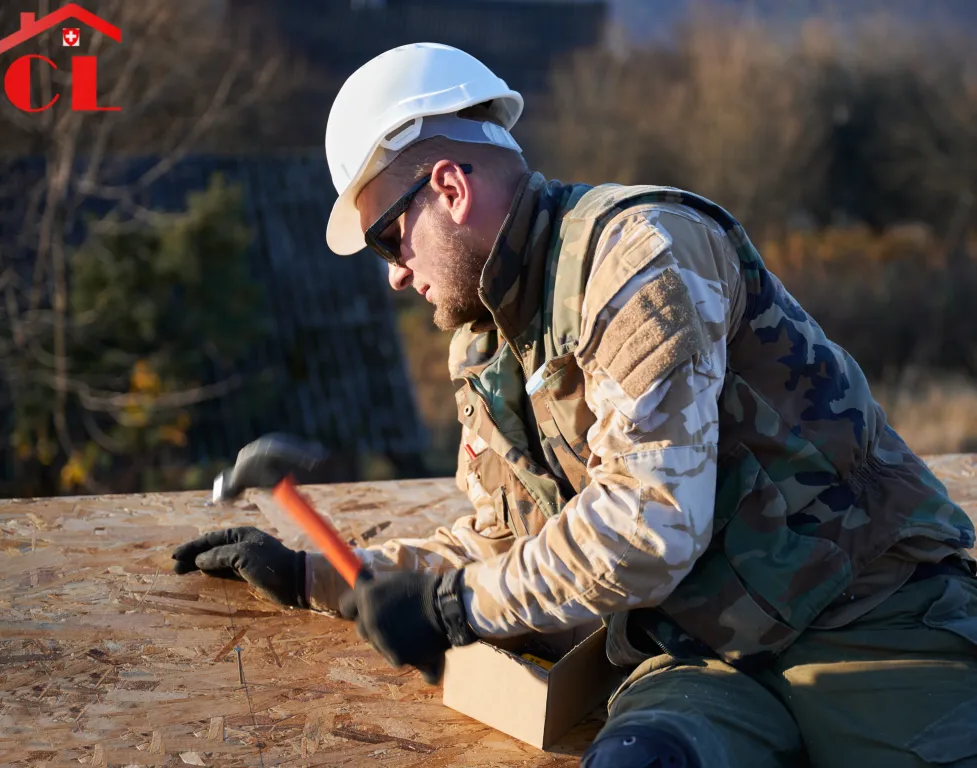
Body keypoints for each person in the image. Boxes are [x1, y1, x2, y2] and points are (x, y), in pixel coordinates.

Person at [172, 43, 977, 767]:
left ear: (447, 187)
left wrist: (452, 608)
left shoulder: (638, 254)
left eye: (388, 237)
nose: (393, 274)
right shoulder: (487, 345)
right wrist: (327, 576)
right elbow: (510, 542)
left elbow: (649, 524)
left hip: (866, 616)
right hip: (696, 654)